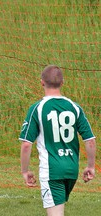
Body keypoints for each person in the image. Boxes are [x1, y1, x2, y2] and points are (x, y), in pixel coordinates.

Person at [19, 65, 96, 216]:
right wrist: (90, 166)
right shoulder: (75, 107)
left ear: (41, 82)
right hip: (71, 170)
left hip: (52, 171)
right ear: (62, 83)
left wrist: (25, 170)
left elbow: (27, 145)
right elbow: (90, 140)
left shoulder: (38, 108)